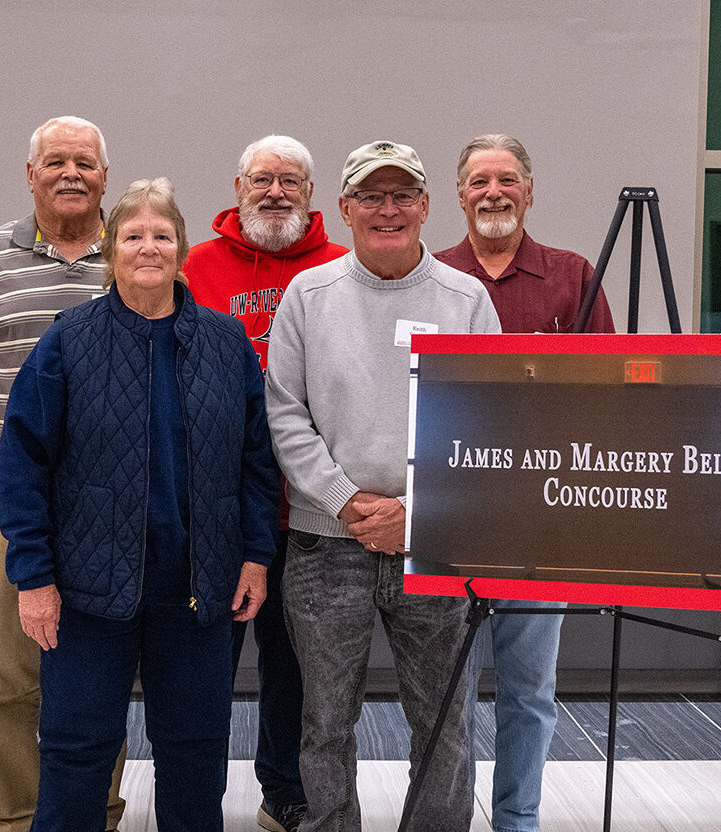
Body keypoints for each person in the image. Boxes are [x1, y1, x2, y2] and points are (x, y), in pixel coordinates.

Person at [0, 178, 279, 832]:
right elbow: (22, 464)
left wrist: (257, 556)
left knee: (196, 753)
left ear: (181, 250)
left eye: (161, 235)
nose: (147, 247)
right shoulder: (69, 342)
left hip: (198, 591)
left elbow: (257, 462)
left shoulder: (226, 342)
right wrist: (33, 577)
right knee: (76, 753)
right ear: (109, 251)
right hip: (89, 589)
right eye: (132, 236)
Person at [265, 141, 501, 832]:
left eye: (402, 195)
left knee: (444, 725)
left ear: (427, 207)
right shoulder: (307, 298)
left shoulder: (466, 300)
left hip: (434, 546)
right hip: (322, 548)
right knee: (324, 725)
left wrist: (416, 510)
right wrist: (343, 498)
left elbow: (487, 423)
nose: (387, 209)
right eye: (371, 196)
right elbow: (284, 411)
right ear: (343, 209)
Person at [0, 115, 129, 832]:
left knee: (102, 669)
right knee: (8, 670)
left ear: (105, 176)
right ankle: (14, 818)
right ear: (30, 174)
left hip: (112, 496)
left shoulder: (137, 254)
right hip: (1, 489)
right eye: (55, 160)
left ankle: (92, 813)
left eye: (85, 161)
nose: (70, 173)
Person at [432, 132, 614, 832]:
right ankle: (448, 815)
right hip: (451, 518)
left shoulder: (575, 279)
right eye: (478, 181)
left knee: (529, 689)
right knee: (445, 694)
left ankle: (517, 820)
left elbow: (610, 394)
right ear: (459, 193)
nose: (492, 192)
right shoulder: (429, 273)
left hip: (544, 520)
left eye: (506, 178)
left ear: (529, 191)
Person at [181, 134, 347, 832]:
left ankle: (284, 789)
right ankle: (192, 796)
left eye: (290, 181)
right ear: (238, 186)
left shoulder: (342, 267)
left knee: (295, 671)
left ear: (311, 196)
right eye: (262, 180)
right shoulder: (197, 266)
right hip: (214, 511)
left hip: (310, 512)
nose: (275, 192)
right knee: (202, 667)